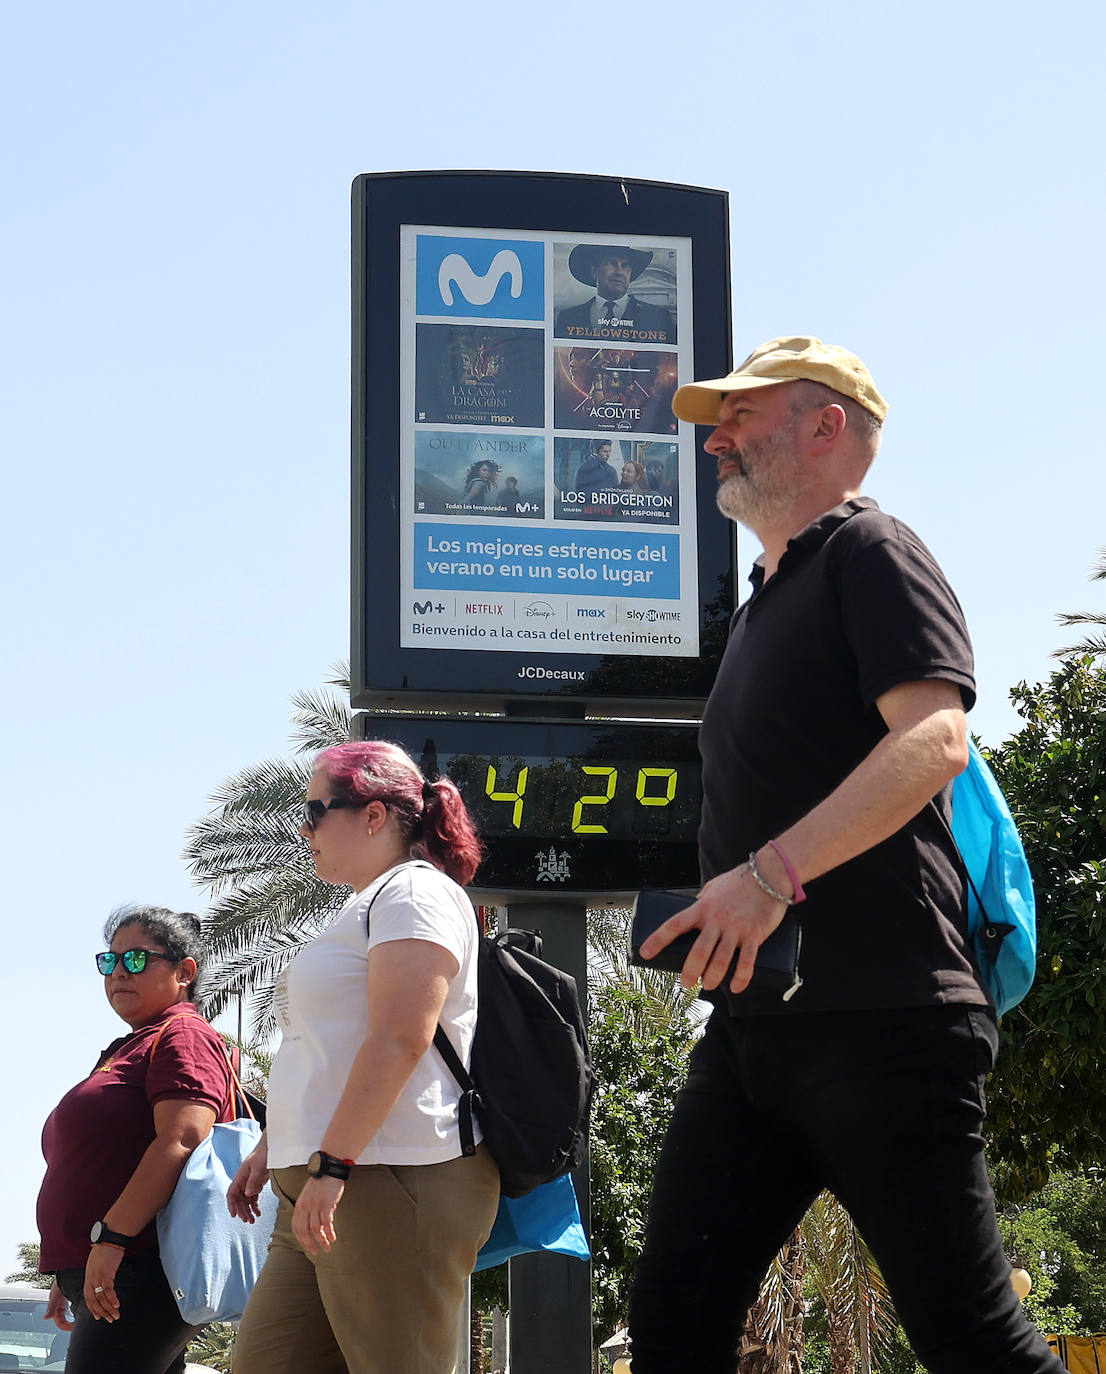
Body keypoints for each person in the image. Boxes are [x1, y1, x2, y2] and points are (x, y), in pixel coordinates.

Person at [628, 336, 1063, 1374]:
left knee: (972, 1341)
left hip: (886, 1016)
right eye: (712, 421)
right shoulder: (759, 604)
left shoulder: (873, 552)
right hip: (752, 1031)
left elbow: (933, 739)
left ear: (826, 427)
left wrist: (768, 876)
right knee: (672, 1325)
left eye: (741, 414)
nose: (715, 437)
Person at [228, 740, 500, 1374]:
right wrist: (280, 1144)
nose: (305, 828)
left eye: (316, 809)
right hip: (332, 1182)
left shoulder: (414, 894)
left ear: (374, 815)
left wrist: (333, 1164)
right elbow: (334, 1045)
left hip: (385, 1180)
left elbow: (401, 1037)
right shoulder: (370, 903)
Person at [36, 906, 233, 1374]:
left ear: (185, 971)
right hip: (114, 1266)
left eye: (138, 959)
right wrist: (75, 1264)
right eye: (111, 961)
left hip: (141, 1265)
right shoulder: (135, 1043)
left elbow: (183, 1136)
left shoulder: (183, 1033)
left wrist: (112, 1240)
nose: (120, 971)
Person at [555, 245, 676, 343]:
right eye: (611, 263)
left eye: (625, 266)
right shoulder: (568, 318)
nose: (619, 272)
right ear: (594, 271)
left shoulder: (658, 317)